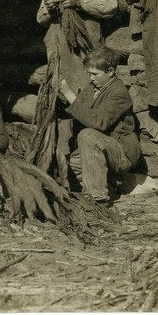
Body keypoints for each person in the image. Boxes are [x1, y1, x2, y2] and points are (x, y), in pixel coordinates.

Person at [59, 46, 141, 203]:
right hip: (101, 147)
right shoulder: (93, 88)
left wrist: (69, 93)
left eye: (95, 74)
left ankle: (97, 199)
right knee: (72, 162)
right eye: (88, 74)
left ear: (110, 71)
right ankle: (105, 186)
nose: (90, 78)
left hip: (121, 151)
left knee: (88, 135)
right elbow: (78, 109)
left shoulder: (118, 92)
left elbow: (98, 122)